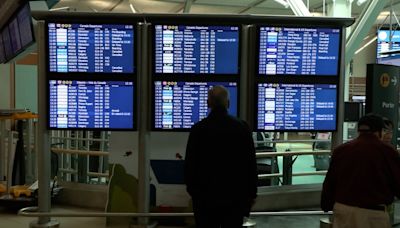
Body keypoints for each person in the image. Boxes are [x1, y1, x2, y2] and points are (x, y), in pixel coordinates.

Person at [184, 85, 258, 228]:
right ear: (228, 104)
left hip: (204, 199)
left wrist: (194, 193)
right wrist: (251, 194)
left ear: (208, 103)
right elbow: (250, 165)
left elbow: (190, 166)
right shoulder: (242, 127)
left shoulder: (198, 129)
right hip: (234, 199)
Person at [321, 113, 400, 228]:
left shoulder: (341, 150)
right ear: (379, 132)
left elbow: (330, 182)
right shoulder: (387, 151)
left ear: (359, 130)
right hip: (373, 214)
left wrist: (326, 205)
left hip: (343, 211)